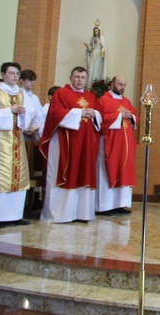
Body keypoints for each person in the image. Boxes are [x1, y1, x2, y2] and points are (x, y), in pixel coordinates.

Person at [39, 66, 101, 223]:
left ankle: (82, 213)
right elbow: (55, 114)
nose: (79, 80)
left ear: (86, 80)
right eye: (76, 77)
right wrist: (80, 113)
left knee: (83, 172)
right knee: (65, 172)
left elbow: (99, 116)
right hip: (65, 142)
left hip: (86, 143)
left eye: (82, 77)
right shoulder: (61, 93)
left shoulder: (91, 96)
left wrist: (95, 114)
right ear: (70, 78)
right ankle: (60, 214)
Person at [95, 76, 137, 216]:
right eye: (120, 84)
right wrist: (119, 115)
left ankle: (120, 204)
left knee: (124, 170)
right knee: (108, 170)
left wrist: (131, 117)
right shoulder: (103, 100)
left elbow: (134, 117)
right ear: (112, 84)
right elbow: (101, 119)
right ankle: (104, 206)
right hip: (110, 143)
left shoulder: (127, 101)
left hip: (125, 145)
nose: (122, 87)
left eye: (124, 85)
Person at [0, 62, 31, 228]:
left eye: (17, 73)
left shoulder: (20, 93)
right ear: (3, 74)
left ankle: (15, 215)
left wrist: (23, 114)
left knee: (19, 175)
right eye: (11, 73)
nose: (15, 76)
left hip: (17, 137)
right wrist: (10, 111)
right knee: (1, 176)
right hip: (1, 140)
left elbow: (26, 119)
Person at [19, 69, 45, 142]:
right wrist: (24, 128)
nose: (32, 82)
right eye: (30, 80)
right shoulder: (17, 95)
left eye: (34, 80)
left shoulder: (34, 98)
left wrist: (36, 126)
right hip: (19, 131)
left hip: (32, 132)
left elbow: (39, 115)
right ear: (21, 80)